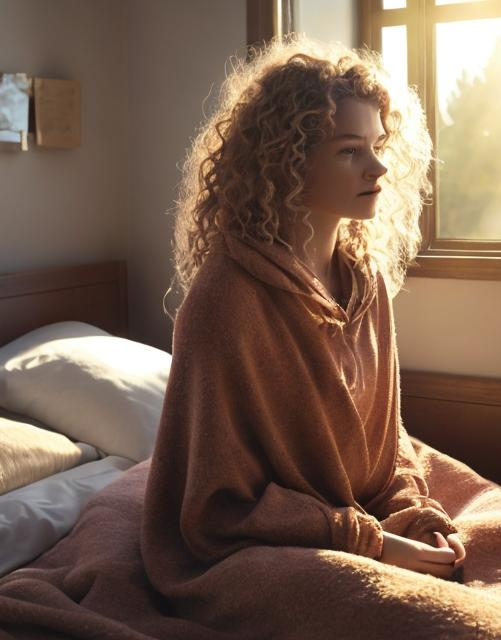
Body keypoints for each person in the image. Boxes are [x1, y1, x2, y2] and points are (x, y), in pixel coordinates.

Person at [142, 33, 465, 612]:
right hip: (258, 546)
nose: (379, 166)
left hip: (352, 522)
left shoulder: (366, 285)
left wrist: (413, 518)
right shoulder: (224, 302)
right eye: (349, 150)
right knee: (434, 619)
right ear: (285, 161)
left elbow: (387, 446)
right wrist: (371, 545)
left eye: (377, 143)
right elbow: (216, 511)